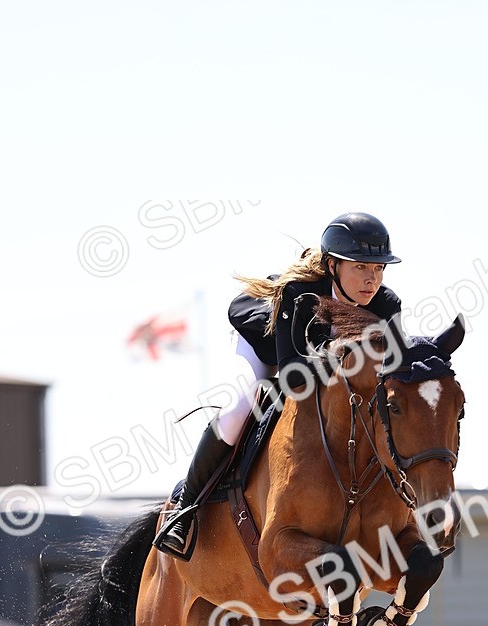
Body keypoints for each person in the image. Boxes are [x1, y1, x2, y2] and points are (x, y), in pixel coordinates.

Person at [155, 212, 402, 559]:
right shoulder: (298, 293)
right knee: (243, 404)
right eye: (360, 267)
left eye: (378, 269)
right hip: (266, 345)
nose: (371, 279)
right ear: (332, 266)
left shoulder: (387, 306)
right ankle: (185, 507)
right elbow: (291, 376)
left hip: (317, 365)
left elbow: (394, 372)